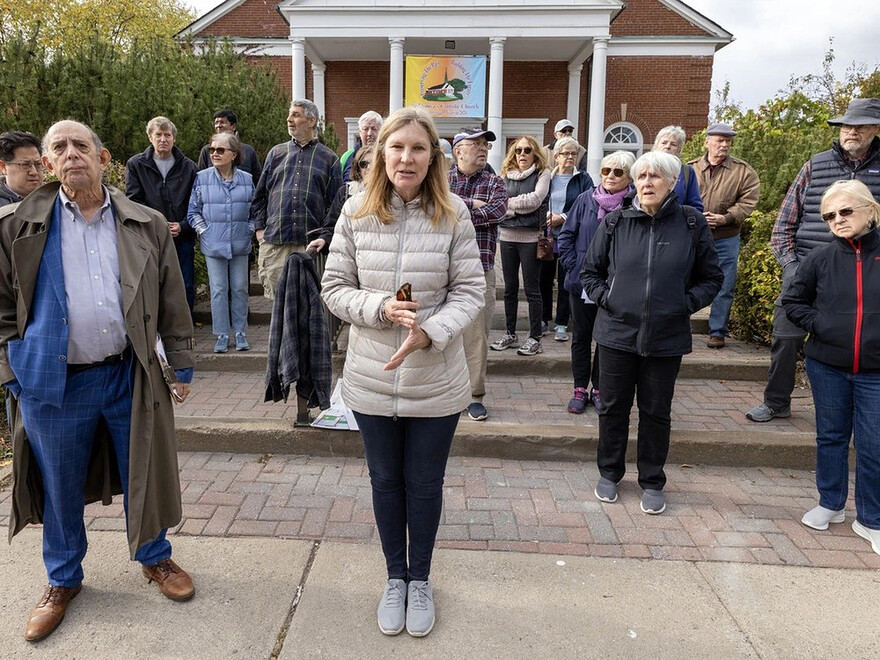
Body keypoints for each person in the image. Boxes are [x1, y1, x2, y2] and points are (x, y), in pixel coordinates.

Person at [0, 120, 196, 642]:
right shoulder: (14, 225)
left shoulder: (146, 222)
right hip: (53, 384)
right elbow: (0, 308)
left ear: (103, 157)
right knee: (59, 484)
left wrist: (179, 363)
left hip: (128, 373)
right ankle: (62, 579)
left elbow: (171, 296)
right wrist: (12, 374)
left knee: (145, 470)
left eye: (80, 145)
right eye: (58, 148)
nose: (71, 154)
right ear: (46, 164)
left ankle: (156, 558)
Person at [321, 107, 484, 638]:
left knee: (425, 483)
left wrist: (431, 330)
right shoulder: (355, 213)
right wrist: (380, 309)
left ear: (433, 156)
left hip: (434, 380)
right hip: (370, 378)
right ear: (380, 153)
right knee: (386, 482)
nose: (406, 158)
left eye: (418, 148)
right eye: (397, 147)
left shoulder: (454, 213)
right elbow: (333, 288)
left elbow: (472, 292)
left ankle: (421, 579)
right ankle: (396, 577)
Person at [581, 151, 722, 515]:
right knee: (612, 409)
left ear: (672, 183)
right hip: (616, 334)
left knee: (656, 412)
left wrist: (683, 304)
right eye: (641, 176)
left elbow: (712, 277)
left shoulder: (691, 224)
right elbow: (590, 274)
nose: (646, 183)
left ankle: (652, 480)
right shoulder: (615, 222)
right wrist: (607, 300)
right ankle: (610, 473)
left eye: (655, 177)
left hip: (666, 337)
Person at [746, 97, 880, 422]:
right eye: (846, 125)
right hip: (808, 271)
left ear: (875, 129)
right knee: (785, 339)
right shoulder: (816, 164)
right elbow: (784, 223)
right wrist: (792, 266)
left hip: (864, 278)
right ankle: (777, 402)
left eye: (859, 125)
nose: (850, 131)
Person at [781, 179, 880, 556]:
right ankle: (831, 503)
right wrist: (821, 325)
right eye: (829, 215)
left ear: (869, 210)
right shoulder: (819, 258)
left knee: (874, 443)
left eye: (844, 211)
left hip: (875, 370)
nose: (836, 220)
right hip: (829, 366)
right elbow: (793, 300)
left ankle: (871, 519)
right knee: (831, 436)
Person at [558, 150, 634, 414]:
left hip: (615, 287)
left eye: (618, 172)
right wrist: (574, 266)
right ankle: (580, 388)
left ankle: (599, 388)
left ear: (628, 177)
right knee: (581, 337)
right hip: (581, 284)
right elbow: (566, 237)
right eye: (606, 171)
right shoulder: (584, 199)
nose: (610, 176)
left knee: (606, 339)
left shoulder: (633, 204)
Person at [252, 99, 342, 300]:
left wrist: (326, 238)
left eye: (296, 115)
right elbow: (259, 197)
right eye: (289, 114)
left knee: (311, 307)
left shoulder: (329, 159)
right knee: (279, 308)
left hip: (310, 246)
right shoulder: (275, 154)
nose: (289, 119)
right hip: (276, 243)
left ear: (311, 121)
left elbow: (336, 207)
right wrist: (260, 231)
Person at [447, 127, 508, 421]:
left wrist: (454, 210)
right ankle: (444, 391)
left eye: (485, 145)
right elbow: (433, 209)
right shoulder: (440, 180)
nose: (483, 149)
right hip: (442, 269)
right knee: (442, 332)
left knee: (477, 337)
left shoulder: (496, 183)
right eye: (476, 144)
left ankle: (474, 395)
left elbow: (496, 213)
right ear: (458, 151)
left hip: (480, 270)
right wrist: (470, 205)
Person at [688, 122, 760, 349]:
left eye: (728, 141)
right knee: (682, 278)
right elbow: (678, 197)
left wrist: (726, 218)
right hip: (692, 236)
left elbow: (749, 201)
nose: (724, 144)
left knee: (725, 284)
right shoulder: (689, 169)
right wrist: (696, 218)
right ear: (706, 142)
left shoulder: (743, 171)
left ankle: (717, 331)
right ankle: (677, 322)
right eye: (719, 140)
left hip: (726, 236)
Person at [188, 131, 255, 354]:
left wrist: (250, 229)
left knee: (239, 288)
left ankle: (240, 332)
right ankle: (222, 334)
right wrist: (204, 232)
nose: (214, 153)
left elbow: (256, 210)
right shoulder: (202, 177)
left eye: (220, 150)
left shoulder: (247, 180)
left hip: (240, 242)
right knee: (218, 289)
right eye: (212, 149)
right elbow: (193, 212)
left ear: (234, 154)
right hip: (213, 244)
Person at [125, 116, 198, 311]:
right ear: (150, 137)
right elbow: (133, 200)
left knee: (185, 284)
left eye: (167, 135)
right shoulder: (136, 165)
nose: (163, 139)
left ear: (174, 138)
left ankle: (184, 330)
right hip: (151, 236)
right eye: (158, 134)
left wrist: (182, 225)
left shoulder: (188, 167)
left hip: (182, 236)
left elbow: (196, 202)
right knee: (154, 284)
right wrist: (158, 225)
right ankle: (157, 332)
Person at [490, 135, 551, 357]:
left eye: (527, 150)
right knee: (509, 288)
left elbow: (535, 200)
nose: (522, 154)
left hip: (530, 238)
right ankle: (510, 333)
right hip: (506, 236)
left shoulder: (543, 174)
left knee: (532, 290)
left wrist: (510, 206)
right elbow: (497, 202)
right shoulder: (504, 174)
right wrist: (515, 207)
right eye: (518, 150)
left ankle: (534, 337)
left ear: (535, 152)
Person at [541, 136, 593, 342]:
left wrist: (561, 218)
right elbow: (540, 199)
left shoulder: (584, 179)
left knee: (565, 281)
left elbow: (587, 205)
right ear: (556, 157)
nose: (570, 157)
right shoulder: (547, 177)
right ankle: (544, 319)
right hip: (547, 238)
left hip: (571, 238)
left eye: (574, 153)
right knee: (543, 281)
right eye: (566, 153)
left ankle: (562, 323)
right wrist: (546, 216)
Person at [197, 109, 263, 186]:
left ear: (233, 126)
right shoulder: (207, 150)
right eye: (216, 123)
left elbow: (258, 181)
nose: (218, 126)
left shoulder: (248, 151)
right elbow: (200, 179)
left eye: (222, 122)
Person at [652, 125, 703, 212]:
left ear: (678, 150)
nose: (668, 146)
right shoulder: (645, 168)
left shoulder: (687, 172)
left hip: (677, 223)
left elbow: (696, 206)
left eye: (673, 144)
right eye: (664, 143)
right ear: (656, 146)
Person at [324, 144, 373, 233]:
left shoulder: (390, 192)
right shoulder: (345, 191)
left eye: (374, 163)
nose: (369, 167)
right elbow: (332, 226)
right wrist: (324, 239)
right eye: (364, 164)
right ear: (358, 169)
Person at [0, 130, 44, 206]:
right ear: (3, 167)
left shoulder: (53, 201)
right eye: (25, 165)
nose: (34, 172)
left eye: (38, 164)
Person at [340, 110, 382, 182]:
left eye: (374, 129)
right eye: (365, 129)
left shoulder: (386, 156)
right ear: (359, 132)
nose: (369, 133)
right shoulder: (347, 157)